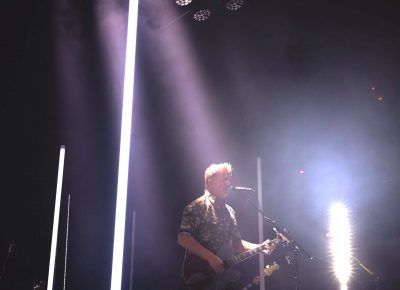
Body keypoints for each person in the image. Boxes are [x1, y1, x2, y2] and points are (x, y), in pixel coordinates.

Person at [178, 162, 274, 290]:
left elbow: (237, 245)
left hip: (221, 279)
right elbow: (183, 238)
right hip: (200, 274)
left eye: (229, 179)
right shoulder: (198, 206)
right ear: (210, 181)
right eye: (224, 179)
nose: (229, 183)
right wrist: (210, 257)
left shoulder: (230, 211)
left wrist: (260, 247)